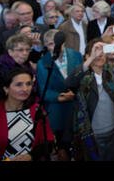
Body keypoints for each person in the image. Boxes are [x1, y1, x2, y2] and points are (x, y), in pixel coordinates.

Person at [65, 38, 114, 161]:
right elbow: (70, 83)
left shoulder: (112, 71)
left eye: (102, 52)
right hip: (91, 134)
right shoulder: (82, 75)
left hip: (113, 131)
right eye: (96, 52)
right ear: (87, 56)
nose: (100, 55)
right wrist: (91, 58)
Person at [36, 30, 83, 161]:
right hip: (58, 111)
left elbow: (84, 79)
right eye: (51, 44)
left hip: (77, 107)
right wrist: (60, 97)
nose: (56, 47)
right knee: (63, 148)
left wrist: (75, 93)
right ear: (45, 45)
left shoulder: (76, 55)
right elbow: (44, 90)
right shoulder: (43, 63)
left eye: (58, 43)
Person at [0, 68, 55, 161]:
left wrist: (30, 156)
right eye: (19, 84)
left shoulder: (37, 110)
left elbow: (48, 142)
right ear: (6, 89)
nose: (25, 89)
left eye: (28, 84)